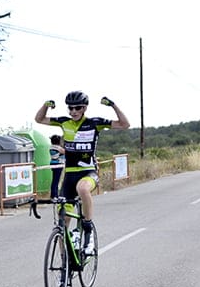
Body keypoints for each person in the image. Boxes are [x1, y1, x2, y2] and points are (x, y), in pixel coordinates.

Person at [35, 91, 130, 254]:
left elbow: (124, 124)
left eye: (77, 108)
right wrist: (45, 105)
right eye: (70, 108)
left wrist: (113, 105)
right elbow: (39, 119)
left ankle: (88, 230)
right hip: (69, 175)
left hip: (88, 172)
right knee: (62, 222)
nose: (73, 111)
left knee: (83, 189)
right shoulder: (64, 122)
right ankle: (65, 261)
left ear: (84, 108)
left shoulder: (95, 123)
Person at [48, 134, 64, 200]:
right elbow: (65, 152)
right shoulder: (58, 148)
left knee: (55, 180)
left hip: (53, 164)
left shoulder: (51, 147)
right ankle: (54, 195)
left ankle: (55, 195)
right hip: (58, 164)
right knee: (56, 181)